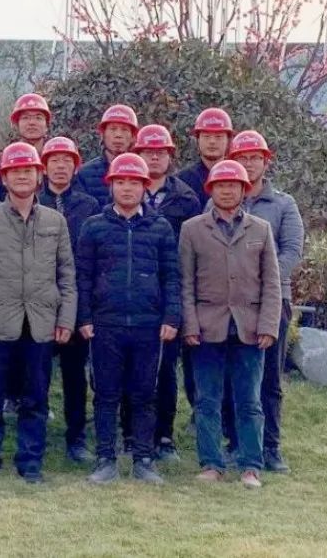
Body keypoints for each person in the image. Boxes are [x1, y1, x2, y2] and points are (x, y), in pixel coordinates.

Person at [0, 142, 77, 484]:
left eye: (28, 170)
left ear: (39, 175)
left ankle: (30, 462)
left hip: (41, 322)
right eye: (15, 171)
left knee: (36, 398)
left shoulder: (56, 221)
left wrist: (66, 318)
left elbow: (67, 275)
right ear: (4, 178)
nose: (22, 176)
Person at [77, 154, 180, 486]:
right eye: (120, 181)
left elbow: (172, 277)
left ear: (144, 187)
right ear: (110, 185)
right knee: (106, 394)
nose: (126, 188)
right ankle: (105, 458)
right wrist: (84, 317)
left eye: (134, 182)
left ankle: (143, 459)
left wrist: (172, 316)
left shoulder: (160, 228)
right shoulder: (94, 226)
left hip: (149, 325)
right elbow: (83, 277)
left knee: (144, 394)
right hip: (105, 324)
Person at [180, 160, 281, 489]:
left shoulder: (260, 229)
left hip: (249, 328)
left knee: (249, 401)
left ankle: (251, 465)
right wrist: (189, 325)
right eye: (220, 185)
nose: (226, 190)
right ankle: (211, 463)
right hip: (207, 327)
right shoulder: (192, 229)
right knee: (207, 401)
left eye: (233, 185)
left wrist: (268, 325)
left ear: (244, 190)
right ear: (211, 189)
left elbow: (272, 283)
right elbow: (185, 283)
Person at [120, 124, 201, 463]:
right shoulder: (124, 192)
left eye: (160, 152)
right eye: (147, 152)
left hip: (168, 291)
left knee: (165, 369)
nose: (154, 157)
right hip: (130, 295)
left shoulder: (187, 198)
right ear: (137, 155)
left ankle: (164, 436)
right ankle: (129, 435)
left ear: (170, 156)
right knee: (130, 368)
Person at [224, 130, 304, 474]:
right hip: (230, 305)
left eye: (255, 157)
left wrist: (263, 284)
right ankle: (235, 443)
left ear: (265, 162)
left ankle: (270, 447)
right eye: (242, 158)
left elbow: (292, 251)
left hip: (273, 302)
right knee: (232, 377)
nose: (249, 163)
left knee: (269, 378)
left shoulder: (283, 205)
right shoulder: (223, 199)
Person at [36, 136, 99, 464]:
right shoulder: (32, 200)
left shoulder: (89, 205)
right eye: (54, 161)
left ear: (76, 167)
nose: (60, 167)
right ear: (43, 167)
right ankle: (35, 434)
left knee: (75, 374)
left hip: (75, 297)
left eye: (67, 161)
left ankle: (76, 437)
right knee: (37, 371)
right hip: (38, 298)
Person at [0, 93, 51, 201]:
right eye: (25, 118)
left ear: (47, 125)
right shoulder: (2, 161)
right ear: (16, 125)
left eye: (38, 118)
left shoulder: (58, 159)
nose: (32, 123)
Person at [76, 104, 139, 206]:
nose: (118, 135)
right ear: (103, 134)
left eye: (124, 130)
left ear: (133, 137)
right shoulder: (85, 174)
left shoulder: (142, 172)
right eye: (113, 129)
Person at [177, 107, 233, 207]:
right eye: (206, 136)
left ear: (228, 140)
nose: (212, 142)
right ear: (198, 140)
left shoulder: (237, 177)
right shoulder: (182, 181)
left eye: (218, 137)